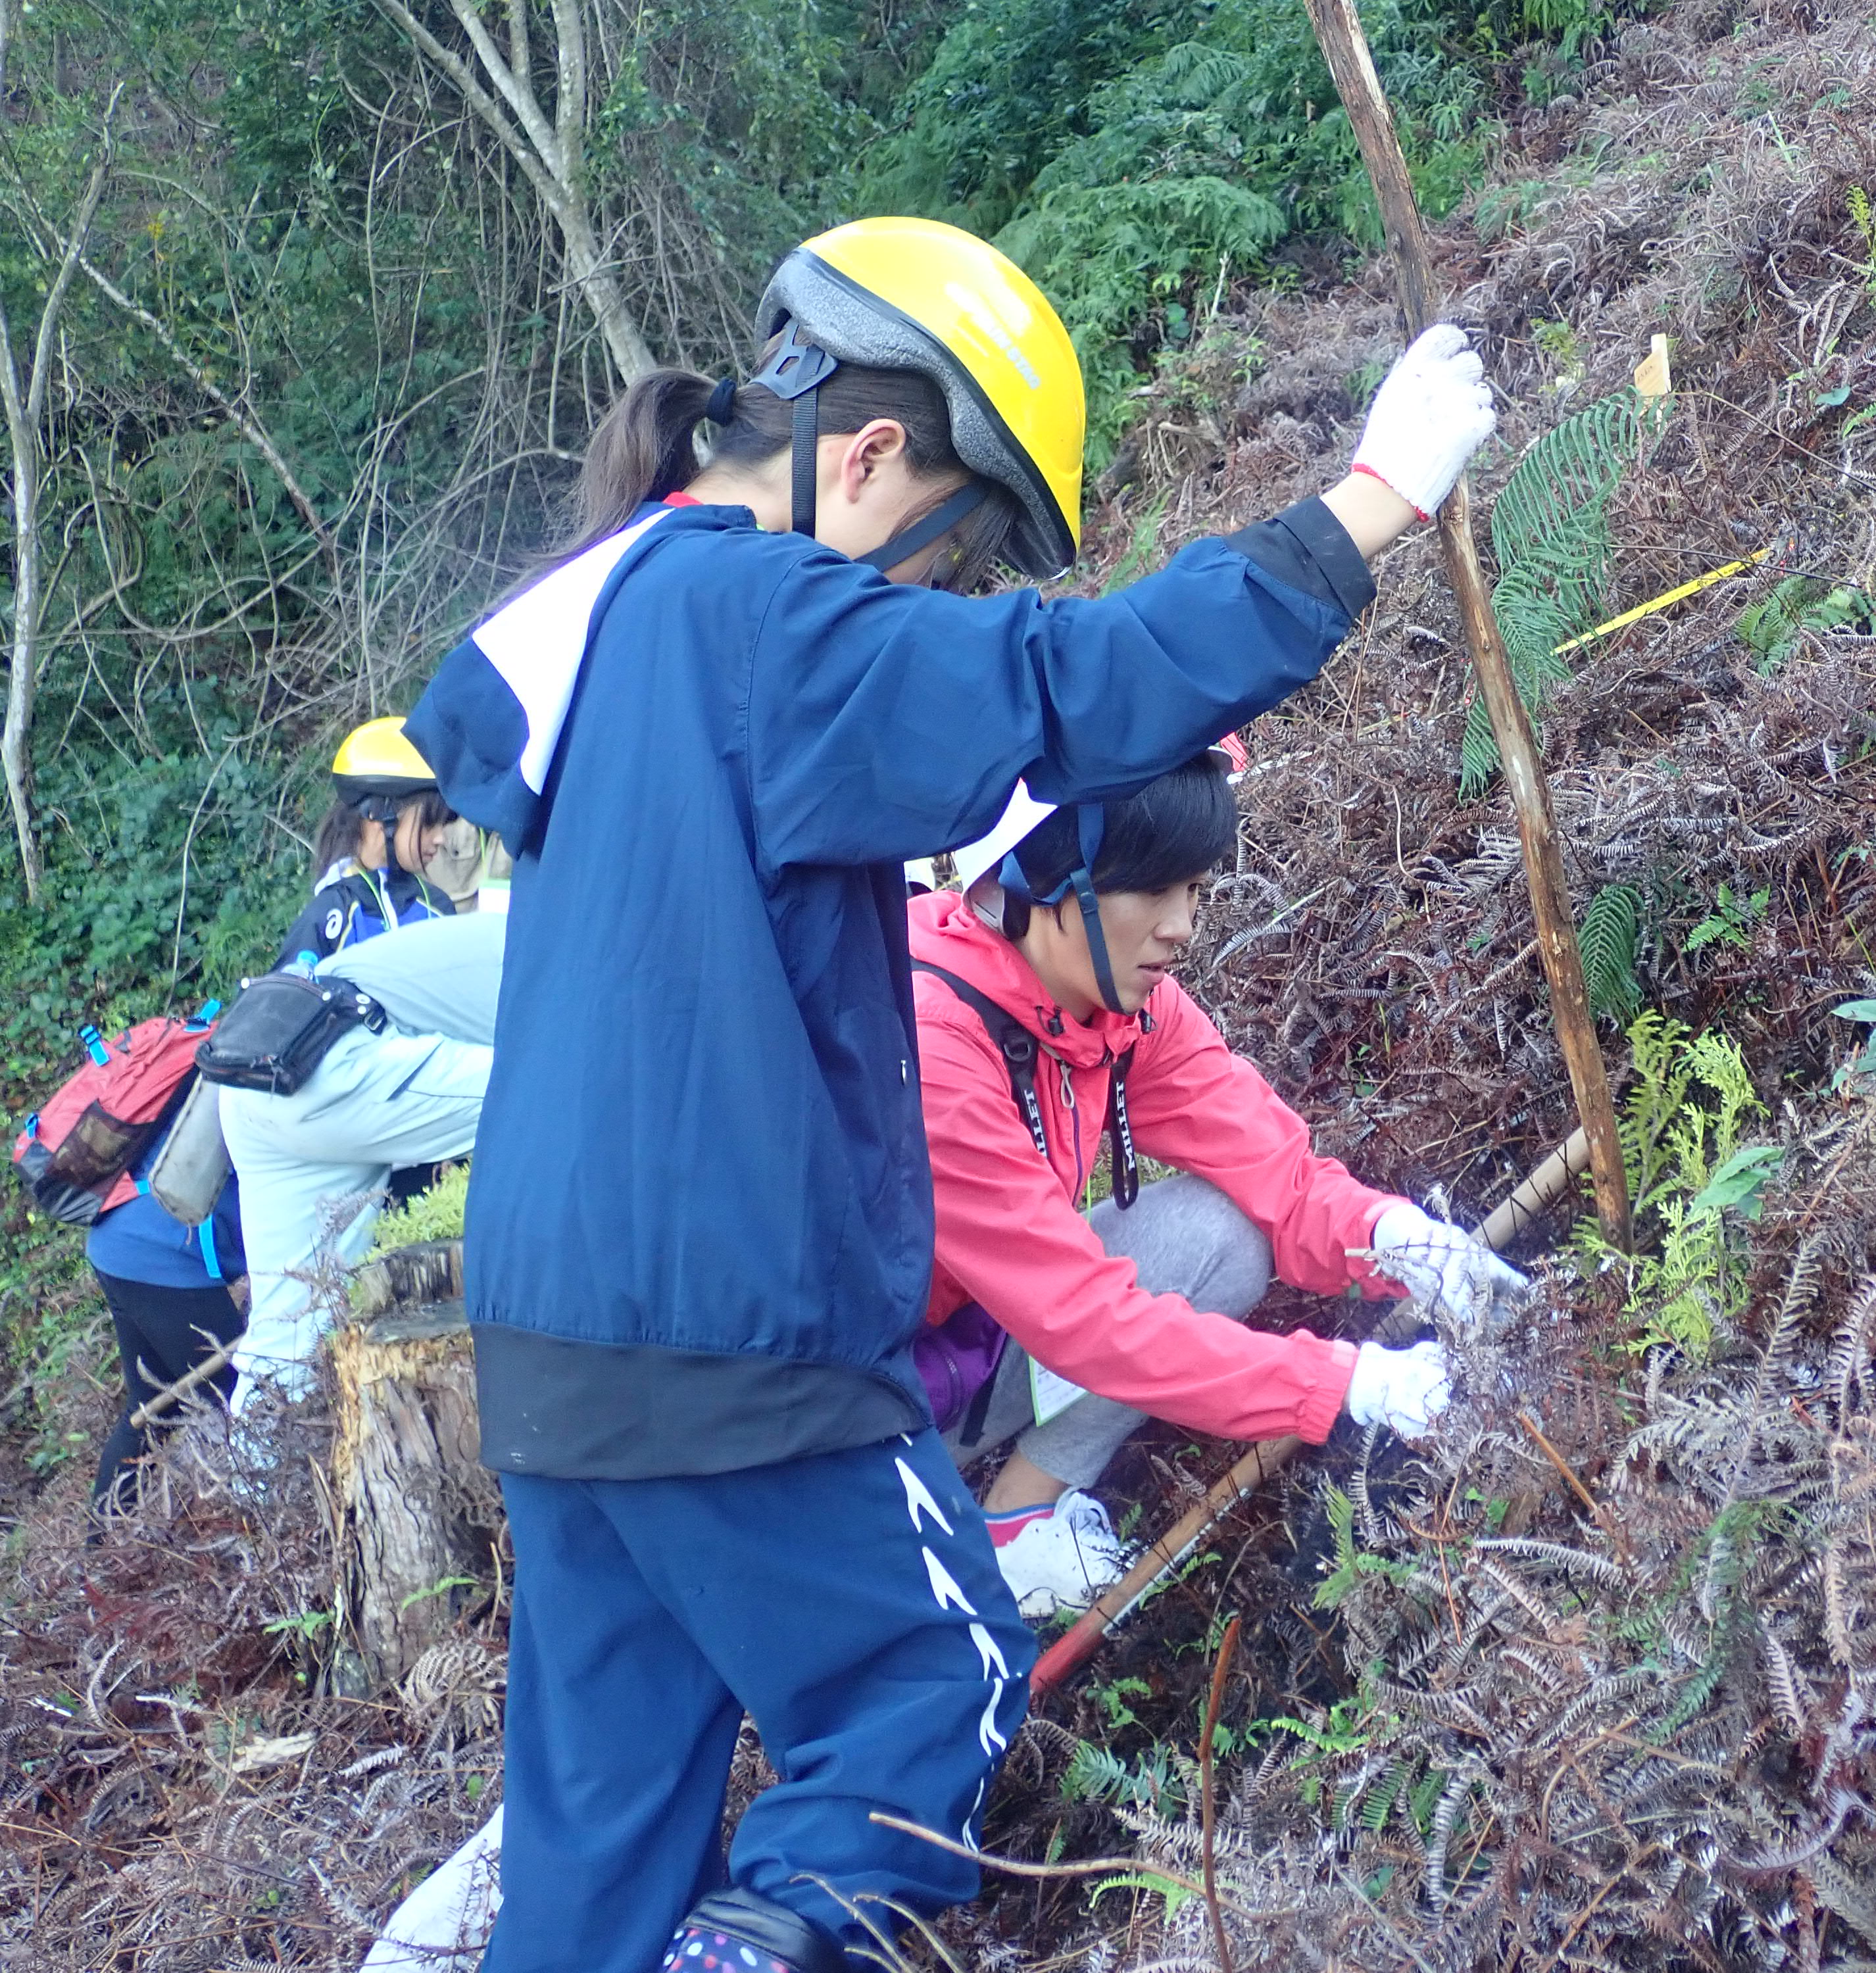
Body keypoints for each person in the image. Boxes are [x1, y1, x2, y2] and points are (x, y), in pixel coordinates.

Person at [398, 212, 1493, 1973]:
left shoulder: (617, 637)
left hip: (551, 1346)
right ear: (869, 454)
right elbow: (1071, 685)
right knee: (939, 1676)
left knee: (604, 1837)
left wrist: (1387, 1252)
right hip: (734, 1329)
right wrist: (1367, 505)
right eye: (956, 549)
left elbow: (1230, 1137)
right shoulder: (760, 614)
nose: (936, 596)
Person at [912, 750, 1525, 1616]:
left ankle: (1015, 1524)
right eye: (1153, 890)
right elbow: (1086, 1323)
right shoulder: (932, 1048)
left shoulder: (1119, 1007)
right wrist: (1348, 1384)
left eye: (1195, 891)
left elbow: (1277, 1175)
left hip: (978, 1341)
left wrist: (1402, 1243)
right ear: (1046, 878)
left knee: (1222, 1234)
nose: (1181, 928)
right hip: (848, 1426)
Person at [219, 913, 505, 1400]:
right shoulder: (606, 964)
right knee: (540, 1094)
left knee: (289, 1340)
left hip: (257, 1063)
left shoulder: (535, 920)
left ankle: (257, 1475)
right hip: (332, 1063)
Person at [83, 1148, 246, 1511]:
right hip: (160, 1252)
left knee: (155, 1408)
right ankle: (263, 1520)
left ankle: (100, 1551)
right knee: (243, 1392)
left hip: (120, 1237)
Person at [277, 718, 459, 968]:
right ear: (379, 817)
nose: (440, 838)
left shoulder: (437, 908)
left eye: (444, 824)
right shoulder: (331, 916)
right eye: (429, 824)